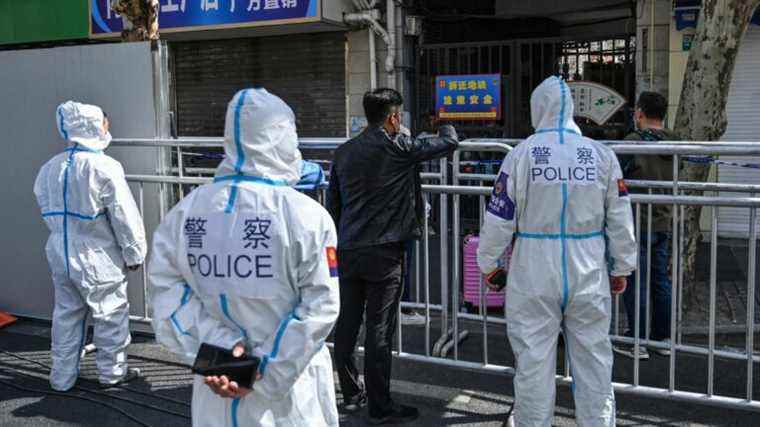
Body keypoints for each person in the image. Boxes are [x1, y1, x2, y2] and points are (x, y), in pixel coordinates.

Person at [149, 88, 340, 426]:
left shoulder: (184, 214)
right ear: (283, 137)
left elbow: (166, 297)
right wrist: (260, 373)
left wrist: (224, 356)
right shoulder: (308, 216)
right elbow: (320, 307)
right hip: (289, 394)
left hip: (217, 386)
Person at [477, 76, 636, 426]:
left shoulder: (521, 155)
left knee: (533, 363)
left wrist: (488, 264)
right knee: (594, 361)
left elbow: (500, 216)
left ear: (537, 109)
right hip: (589, 265)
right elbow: (621, 216)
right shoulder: (602, 155)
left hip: (533, 267)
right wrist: (621, 267)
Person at [328, 88, 458, 424]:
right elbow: (449, 143)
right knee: (379, 329)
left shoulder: (343, 153)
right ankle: (381, 407)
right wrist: (442, 122)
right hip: (385, 254)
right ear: (394, 117)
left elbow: (335, 206)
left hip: (349, 249)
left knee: (347, 324)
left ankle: (352, 393)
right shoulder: (398, 146)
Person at [34, 101, 147, 391]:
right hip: (97, 255)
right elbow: (124, 216)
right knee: (111, 315)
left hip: (60, 249)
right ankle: (112, 374)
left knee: (66, 315)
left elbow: (45, 205)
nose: (108, 126)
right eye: (105, 122)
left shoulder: (49, 168)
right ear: (94, 126)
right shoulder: (104, 166)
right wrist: (134, 253)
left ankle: (61, 378)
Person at [613, 91, 676, 360]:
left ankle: (635, 340)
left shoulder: (633, 142)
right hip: (664, 220)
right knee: (660, 280)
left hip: (637, 222)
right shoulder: (676, 141)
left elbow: (617, 174)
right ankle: (662, 338)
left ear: (639, 112)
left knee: (635, 280)